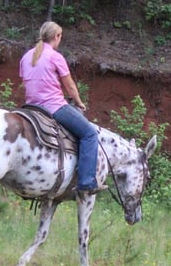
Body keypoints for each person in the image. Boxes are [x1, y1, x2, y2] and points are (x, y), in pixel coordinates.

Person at [19, 21, 106, 195]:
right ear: (56, 37)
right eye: (60, 36)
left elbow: (26, 82)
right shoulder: (55, 57)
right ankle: (87, 182)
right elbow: (70, 85)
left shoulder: (26, 57)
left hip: (30, 108)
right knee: (89, 134)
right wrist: (79, 102)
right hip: (53, 106)